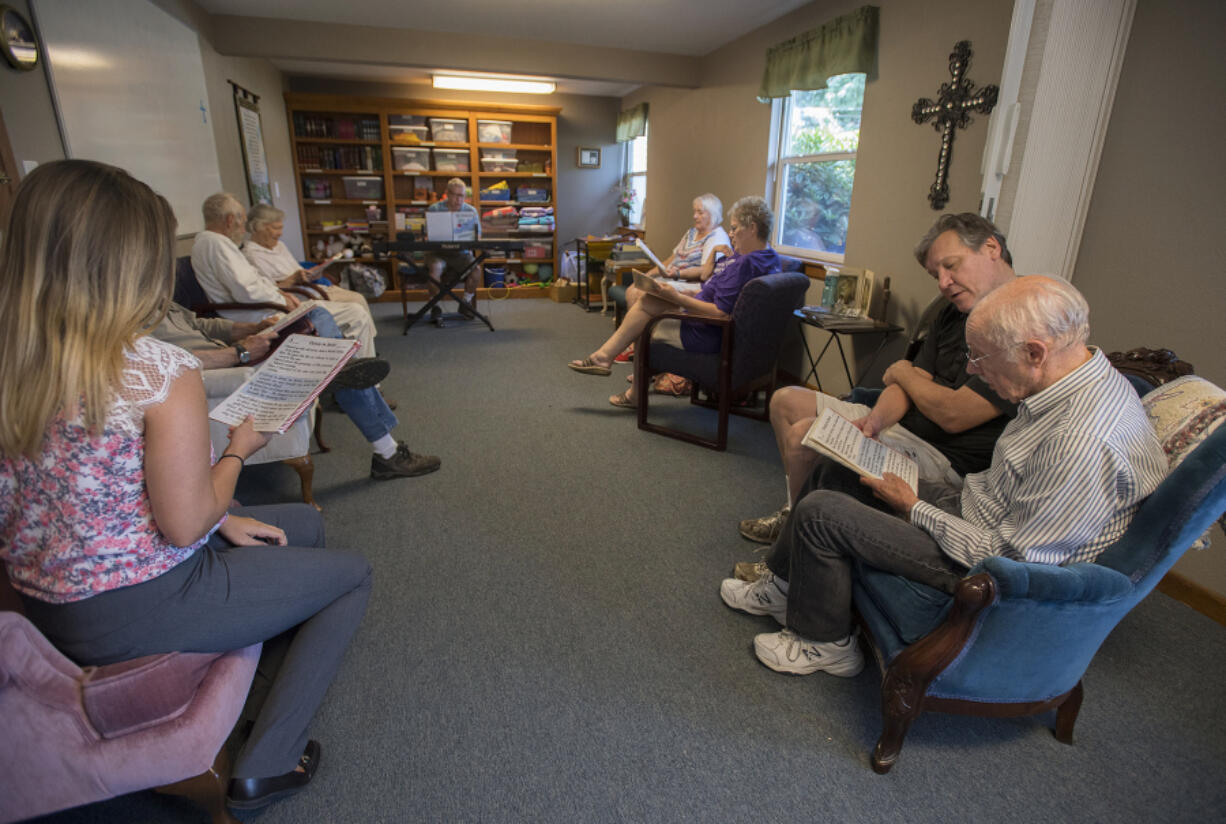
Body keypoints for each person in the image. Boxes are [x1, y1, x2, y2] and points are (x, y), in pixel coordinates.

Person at [0, 159, 373, 810]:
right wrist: (237, 452)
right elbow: (183, 524)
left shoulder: (16, 359)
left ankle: (259, 616)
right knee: (354, 574)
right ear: (134, 263)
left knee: (305, 525)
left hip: (48, 600)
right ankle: (269, 764)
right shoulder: (156, 370)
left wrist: (224, 517)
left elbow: (94, 490)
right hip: (141, 604)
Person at [719, 275, 1168, 677]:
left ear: (1035, 352)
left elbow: (1011, 561)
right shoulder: (1075, 377)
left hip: (984, 563)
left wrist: (913, 508)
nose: (973, 369)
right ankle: (784, 585)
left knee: (821, 513)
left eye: (982, 356)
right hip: (974, 512)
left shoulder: (1081, 441)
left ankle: (825, 643)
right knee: (837, 465)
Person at [737, 213, 1019, 550]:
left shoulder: (1021, 319)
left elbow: (953, 414)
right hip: (900, 423)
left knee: (803, 436)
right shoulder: (950, 311)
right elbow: (904, 385)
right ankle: (794, 513)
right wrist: (874, 421)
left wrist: (902, 371)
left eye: (951, 266)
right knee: (786, 401)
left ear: (991, 248)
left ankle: (795, 543)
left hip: (942, 455)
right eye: (936, 275)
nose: (944, 282)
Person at [191, 193, 440, 479]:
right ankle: (379, 437)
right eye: (242, 221)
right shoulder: (215, 243)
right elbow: (246, 291)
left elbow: (250, 287)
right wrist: (281, 299)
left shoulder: (213, 244)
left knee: (326, 323)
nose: (244, 227)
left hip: (262, 315)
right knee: (321, 318)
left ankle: (343, 374)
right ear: (231, 219)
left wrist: (280, 293)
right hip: (261, 320)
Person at [567, 196, 780, 409]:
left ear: (752, 228)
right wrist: (683, 294)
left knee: (643, 324)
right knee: (651, 300)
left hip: (706, 332)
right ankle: (604, 357)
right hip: (705, 320)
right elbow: (716, 292)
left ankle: (627, 385)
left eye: (734, 229)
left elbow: (720, 313)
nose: (731, 234)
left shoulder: (746, 263)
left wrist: (678, 298)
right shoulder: (770, 259)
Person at [242, 202, 379, 358]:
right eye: (275, 228)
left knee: (357, 299)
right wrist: (294, 279)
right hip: (297, 295)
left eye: (281, 228)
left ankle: (366, 346)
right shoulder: (251, 255)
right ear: (258, 227)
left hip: (310, 287)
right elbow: (269, 290)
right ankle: (358, 351)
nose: (280, 233)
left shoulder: (279, 246)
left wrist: (312, 274)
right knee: (355, 303)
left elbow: (297, 269)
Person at [615, 194, 730, 369]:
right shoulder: (691, 233)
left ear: (712, 214)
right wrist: (651, 274)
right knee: (633, 288)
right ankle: (637, 345)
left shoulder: (717, 237)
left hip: (691, 284)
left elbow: (705, 271)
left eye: (700, 212)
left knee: (641, 293)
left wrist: (677, 273)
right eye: (695, 212)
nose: (695, 216)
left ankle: (639, 349)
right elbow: (672, 258)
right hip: (674, 276)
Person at [424, 177, 482, 322]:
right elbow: (426, 236)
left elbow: (478, 235)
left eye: (461, 195)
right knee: (435, 268)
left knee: (477, 270)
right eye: (454, 195)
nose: (458, 199)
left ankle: (465, 303)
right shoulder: (434, 209)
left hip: (460, 254)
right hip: (438, 253)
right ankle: (435, 306)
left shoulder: (471, 211)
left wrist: (472, 239)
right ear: (447, 194)